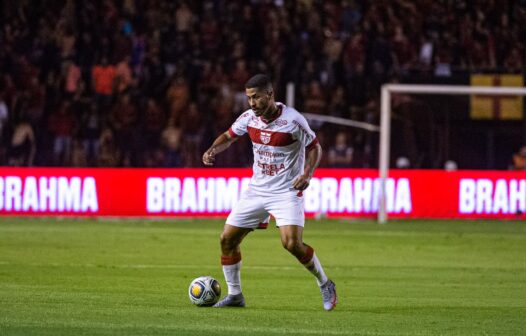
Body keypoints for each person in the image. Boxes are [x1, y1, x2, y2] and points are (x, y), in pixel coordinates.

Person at [202, 74, 337, 311]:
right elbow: (228, 136)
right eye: (249, 98)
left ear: (270, 94)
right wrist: (213, 149)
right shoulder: (248, 118)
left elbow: (315, 148)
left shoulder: (293, 121)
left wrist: (307, 174)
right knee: (227, 239)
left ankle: (325, 283)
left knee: (292, 244)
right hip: (257, 190)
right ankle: (235, 295)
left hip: (286, 191)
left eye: (256, 98)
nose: (252, 103)